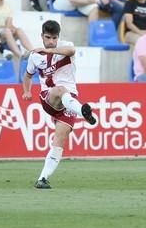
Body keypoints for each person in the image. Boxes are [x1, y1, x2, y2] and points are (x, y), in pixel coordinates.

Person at [22, 20, 97, 189]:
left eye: (54, 38)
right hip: (49, 98)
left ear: (58, 37)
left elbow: (72, 50)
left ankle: (42, 178)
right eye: (47, 38)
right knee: (60, 89)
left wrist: (48, 49)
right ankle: (82, 111)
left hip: (69, 102)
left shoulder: (64, 47)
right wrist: (26, 91)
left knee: (59, 140)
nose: (51, 41)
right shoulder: (35, 56)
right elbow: (27, 76)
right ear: (42, 36)